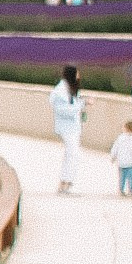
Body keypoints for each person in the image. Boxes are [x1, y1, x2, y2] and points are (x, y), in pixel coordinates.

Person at [51, 65, 85, 194]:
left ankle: (66, 182)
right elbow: (63, 110)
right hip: (66, 128)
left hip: (72, 127)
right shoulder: (60, 92)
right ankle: (65, 183)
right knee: (72, 154)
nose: (79, 76)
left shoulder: (70, 89)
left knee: (71, 155)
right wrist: (81, 105)